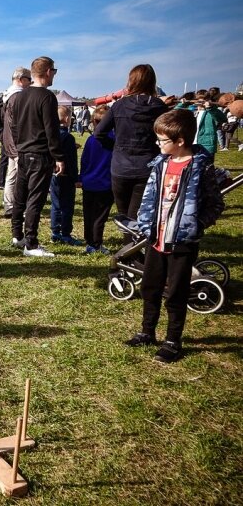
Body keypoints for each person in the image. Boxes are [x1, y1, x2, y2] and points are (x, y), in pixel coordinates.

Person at [125, 109, 224, 363]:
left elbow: (215, 204)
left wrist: (196, 225)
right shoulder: (160, 164)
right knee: (150, 287)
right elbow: (149, 198)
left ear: (180, 140)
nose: (157, 143)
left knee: (176, 292)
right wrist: (146, 225)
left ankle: (173, 341)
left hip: (182, 243)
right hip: (156, 239)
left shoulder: (200, 167)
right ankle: (147, 331)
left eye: (162, 140)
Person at [93, 64, 171, 222]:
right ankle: (135, 244)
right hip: (147, 165)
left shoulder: (119, 105)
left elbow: (98, 132)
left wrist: (115, 148)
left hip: (122, 167)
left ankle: (131, 244)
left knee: (126, 215)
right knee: (138, 215)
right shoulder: (159, 107)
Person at [9, 56, 64, 257]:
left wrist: (19, 146)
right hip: (40, 154)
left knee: (20, 197)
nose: (54, 76)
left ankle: (17, 236)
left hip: (22, 152)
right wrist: (58, 157)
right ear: (48, 71)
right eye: (54, 72)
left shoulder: (20, 96)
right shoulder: (47, 97)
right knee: (35, 200)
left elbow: (14, 127)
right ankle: (30, 244)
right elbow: (52, 130)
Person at [78, 105, 114, 254]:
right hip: (105, 183)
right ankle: (96, 243)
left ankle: (90, 241)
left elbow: (84, 160)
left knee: (89, 214)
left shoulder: (91, 140)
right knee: (100, 216)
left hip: (89, 181)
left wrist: (81, 177)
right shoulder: (114, 140)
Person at [1, 66, 32, 218]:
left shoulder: (8, 95)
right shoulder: (18, 96)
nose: (30, 83)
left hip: (9, 141)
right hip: (17, 143)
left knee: (12, 174)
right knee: (21, 177)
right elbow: (18, 123)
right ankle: (18, 207)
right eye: (29, 80)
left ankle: (9, 205)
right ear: (21, 80)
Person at [49, 106, 83, 246]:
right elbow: (71, 161)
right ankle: (66, 234)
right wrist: (76, 178)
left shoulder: (50, 135)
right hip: (67, 176)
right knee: (67, 206)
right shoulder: (68, 138)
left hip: (53, 175)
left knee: (55, 205)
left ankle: (55, 232)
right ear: (68, 119)